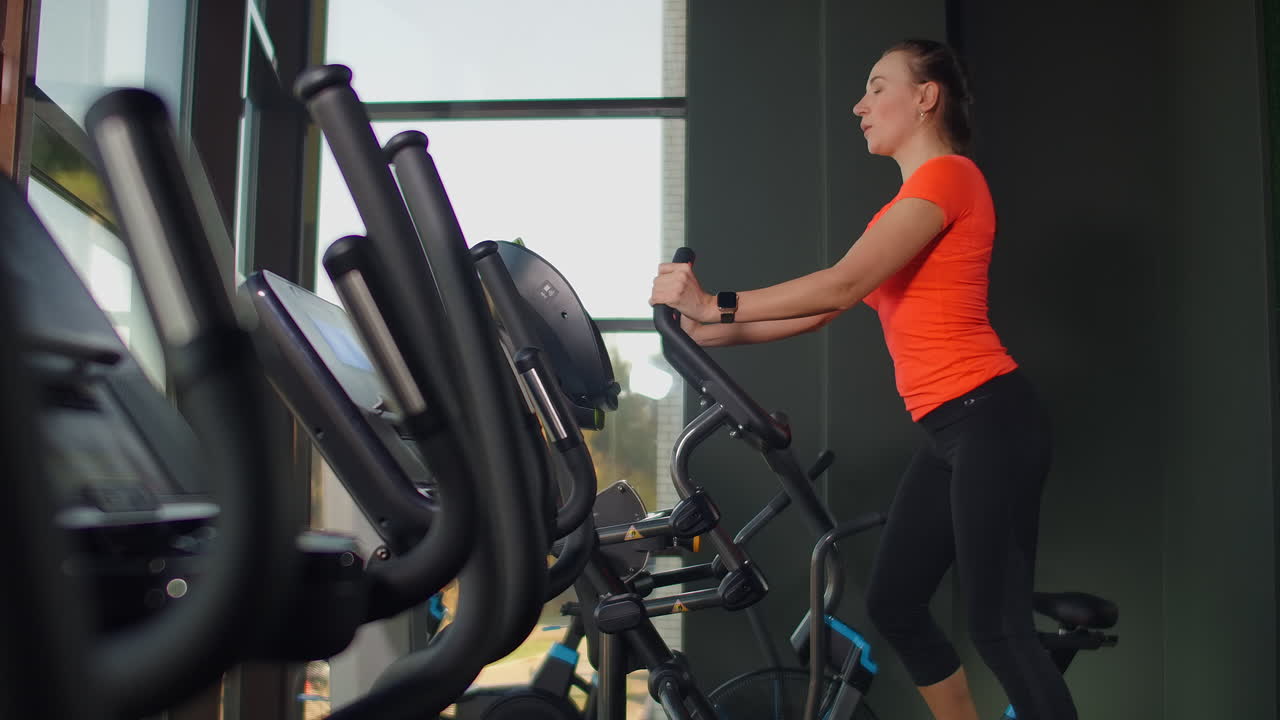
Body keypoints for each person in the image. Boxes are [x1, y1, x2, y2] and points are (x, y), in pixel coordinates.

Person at [649, 39, 1075, 720]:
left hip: (991, 416)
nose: (860, 104)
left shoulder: (951, 178)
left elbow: (842, 280)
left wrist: (713, 303)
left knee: (998, 627)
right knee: (896, 602)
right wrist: (702, 331)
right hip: (949, 430)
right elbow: (826, 309)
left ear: (927, 96)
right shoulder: (899, 212)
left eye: (878, 87)